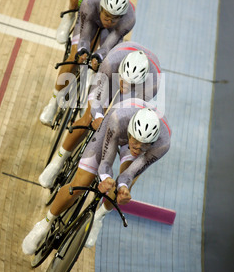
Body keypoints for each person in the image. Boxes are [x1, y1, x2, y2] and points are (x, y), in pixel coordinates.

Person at [22, 103, 171, 255]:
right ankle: (44, 224)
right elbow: (106, 162)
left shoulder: (162, 144)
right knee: (81, 183)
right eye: (136, 142)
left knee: (125, 185)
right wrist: (105, 178)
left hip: (139, 135)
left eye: (144, 145)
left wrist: (123, 188)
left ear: (152, 142)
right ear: (131, 132)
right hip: (114, 129)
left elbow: (129, 174)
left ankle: (99, 217)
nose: (138, 148)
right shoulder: (117, 120)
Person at [39, 42, 162, 189]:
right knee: (89, 117)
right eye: (124, 81)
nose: (126, 86)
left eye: (131, 84)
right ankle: (57, 162)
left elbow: (125, 113)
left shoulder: (151, 85)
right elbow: (97, 97)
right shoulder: (111, 63)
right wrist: (98, 116)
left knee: (118, 123)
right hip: (112, 74)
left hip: (137, 93)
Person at [40, 0, 136, 127]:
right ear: (101, 8)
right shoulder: (91, 1)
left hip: (112, 33)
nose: (109, 21)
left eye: (114, 19)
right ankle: (53, 102)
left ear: (121, 17)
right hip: (90, 20)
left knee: (108, 63)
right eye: (107, 16)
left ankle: (91, 90)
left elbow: (108, 46)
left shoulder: (129, 19)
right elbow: (84, 37)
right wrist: (83, 51)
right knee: (74, 57)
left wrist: (98, 57)